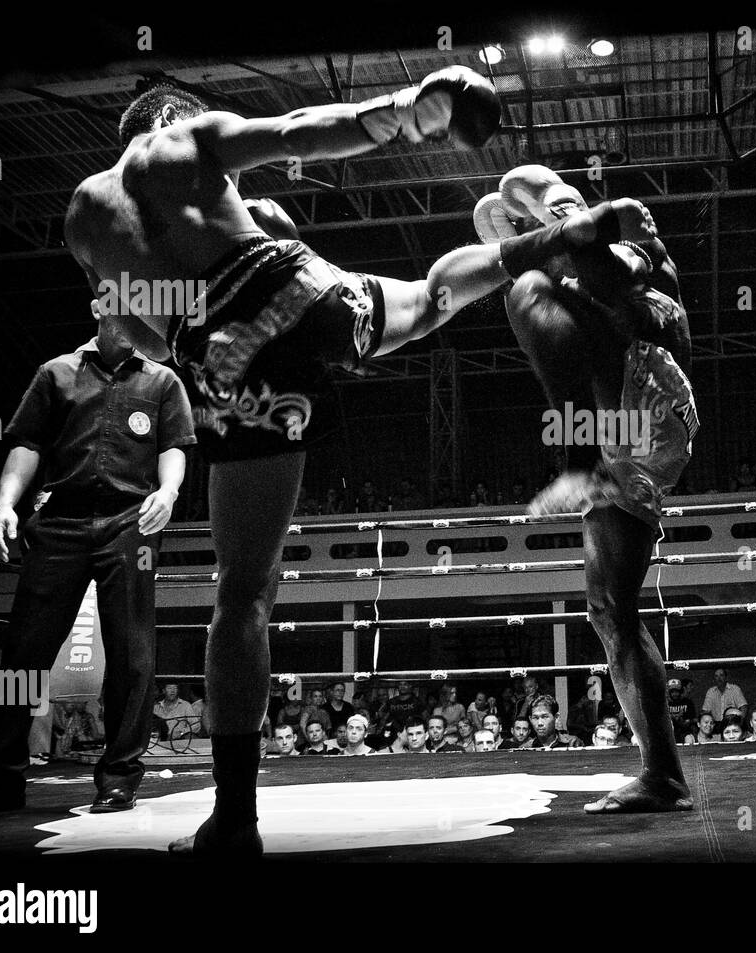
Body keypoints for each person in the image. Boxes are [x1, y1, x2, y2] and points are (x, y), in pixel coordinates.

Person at [70, 77, 659, 855]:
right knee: (425, 299)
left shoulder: (84, 220)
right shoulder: (175, 140)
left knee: (241, 593)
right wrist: (418, 106)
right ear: (169, 121)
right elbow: (301, 131)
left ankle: (235, 823)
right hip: (287, 286)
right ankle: (552, 240)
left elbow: (140, 340)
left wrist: (202, 328)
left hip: (220, 359)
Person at [481, 165, 694, 812]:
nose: (555, 218)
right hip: (623, 430)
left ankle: (577, 463)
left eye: (564, 206)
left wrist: (560, 230)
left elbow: (607, 271)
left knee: (527, 289)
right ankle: (663, 773)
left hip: (648, 393)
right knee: (607, 608)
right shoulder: (558, 274)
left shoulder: (624, 221)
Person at [0, 309, 194, 817]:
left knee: (133, 651)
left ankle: (119, 778)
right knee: (22, 651)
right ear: (98, 309)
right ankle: (2, 779)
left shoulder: (162, 379)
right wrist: (4, 503)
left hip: (131, 522)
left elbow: (174, 445)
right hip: (58, 520)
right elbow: (26, 443)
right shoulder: (56, 372)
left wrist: (169, 490)